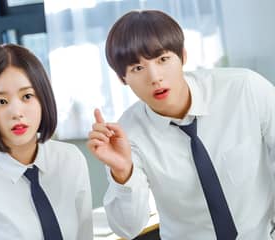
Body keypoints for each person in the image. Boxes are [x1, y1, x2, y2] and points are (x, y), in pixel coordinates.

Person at [87, 9, 275, 240]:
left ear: (183, 56)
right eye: (137, 68)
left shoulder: (245, 89)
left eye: (163, 59)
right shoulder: (126, 136)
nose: (155, 77)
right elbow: (128, 228)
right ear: (122, 79)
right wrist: (123, 172)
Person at [0, 44, 93, 240]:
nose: (17, 112)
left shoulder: (71, 160)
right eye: (1, 102)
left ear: (43, 98)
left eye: (27, 96)